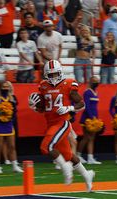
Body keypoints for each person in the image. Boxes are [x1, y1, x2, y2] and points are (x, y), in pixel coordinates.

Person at [28, 60, 95, 193]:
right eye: (50, 75)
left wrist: (69, 108)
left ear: (60, 73)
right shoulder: (43, 86)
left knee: (45, 147)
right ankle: (87, 175)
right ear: (46, 75)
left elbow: (81, 104)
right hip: (51, 124)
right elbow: (44, 109)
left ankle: (65, 168)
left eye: (55, 74)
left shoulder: (68, 84)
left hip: (62, 123)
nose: (53, 77)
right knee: (68, 155)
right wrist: (35, 107)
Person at [0, 81, 23, 174]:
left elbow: (15, 111)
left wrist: (11, 115)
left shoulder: (11, 98)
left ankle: (15, 166)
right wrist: (0, 113)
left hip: (9, 125)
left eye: (7, 87)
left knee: (12, 146)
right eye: (3, 87)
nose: (5, 88)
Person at [77, 76, 102, 165]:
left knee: (92, 138)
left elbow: (95, 107)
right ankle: (78, 155)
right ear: (90, 82)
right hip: (87, 117)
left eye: (97, 81)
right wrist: (91, 118)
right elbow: (86, 105)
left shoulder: (96, 92)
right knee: (86, 137)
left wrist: (96, 119)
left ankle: (90, 158)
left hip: (94, 117)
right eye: (94, 81)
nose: (96, 83)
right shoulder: (87, 92)